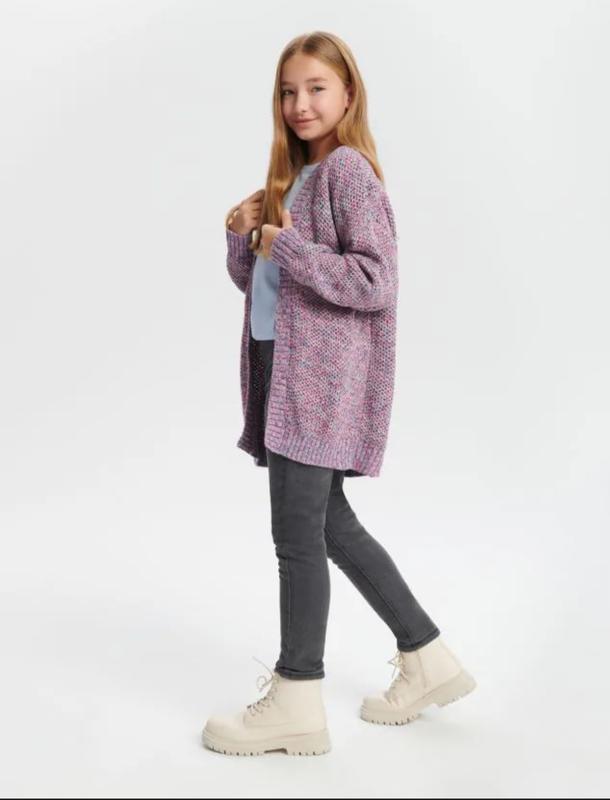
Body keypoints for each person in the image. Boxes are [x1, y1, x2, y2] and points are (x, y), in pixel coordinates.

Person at [203, 31, 476, 757]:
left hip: (318, 385)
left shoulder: (348, 173)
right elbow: (267, 289)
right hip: (283, 375)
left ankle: (297, 698)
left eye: (317, 88)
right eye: (288, 91)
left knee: (296, 537)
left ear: (349, 94)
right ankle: (427, 656)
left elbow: (375, 281)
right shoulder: (296, 178)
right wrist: (241, 237)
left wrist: (287, 245)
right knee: (330, 526)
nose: (301, 104)